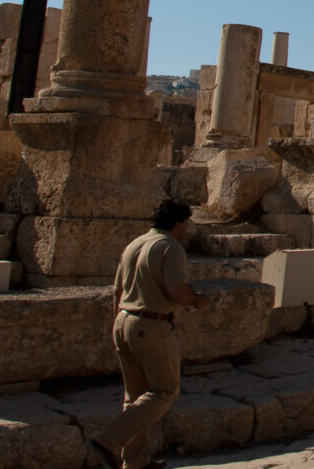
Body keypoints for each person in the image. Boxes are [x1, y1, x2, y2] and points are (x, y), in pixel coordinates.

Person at [88, 200, 209, 469]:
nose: (186, 230)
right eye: (186, 224)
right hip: (151, 325)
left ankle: (136, 462)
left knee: (135, 396)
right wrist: (197, 299)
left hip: (123, 321)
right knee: (165, 390)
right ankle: (108, 440)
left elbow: (117, 291)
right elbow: (177, 291)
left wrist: (117, 324)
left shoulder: (134, 244)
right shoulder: (170, 248)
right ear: (177, 223)